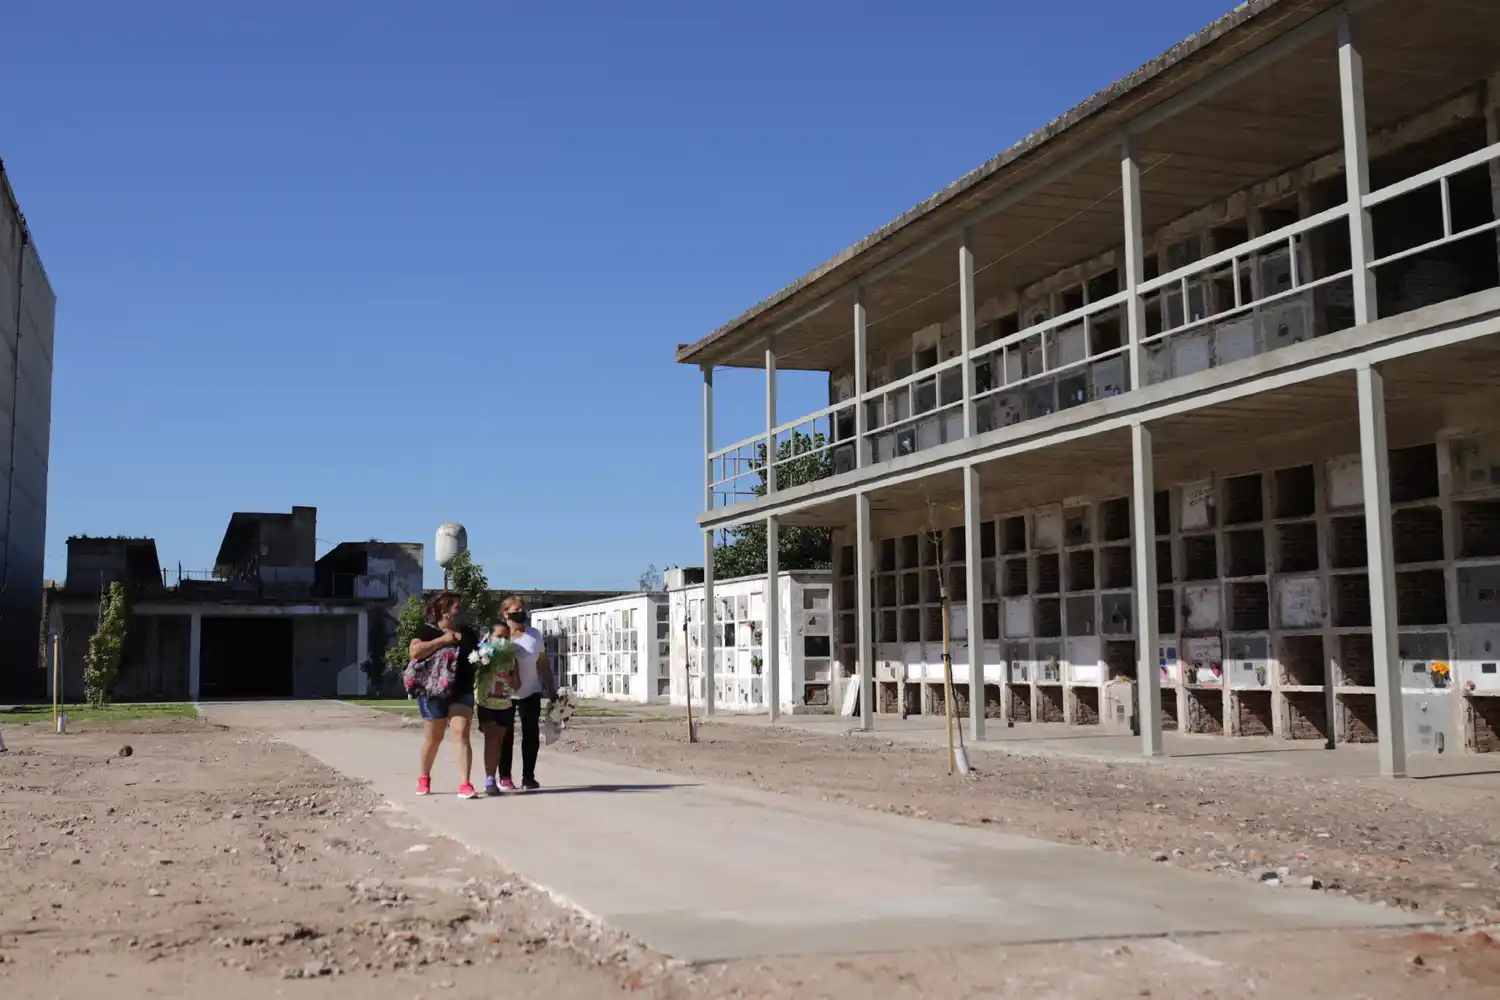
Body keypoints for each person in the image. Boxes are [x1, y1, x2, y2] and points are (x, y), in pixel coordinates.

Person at [409, 591, 479, 799]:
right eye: (456, 606)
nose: (460, 610)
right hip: (433, 691)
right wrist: (442, 640)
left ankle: (465, 783)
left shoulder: (468, 633)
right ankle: (424, 777)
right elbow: (414, 652)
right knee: (434, 738)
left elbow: (476, 654)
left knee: (462, 732)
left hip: (462, 690)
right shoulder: (427, 630)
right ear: (444, 610)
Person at [494, 595, 556, 791]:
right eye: (515, 611)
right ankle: (504, 776)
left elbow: (543, 664)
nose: (520, 615)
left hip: (531, 691)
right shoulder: (497, 636)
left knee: (530, 733)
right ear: (505, 614)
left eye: (522, 610)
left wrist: (551, 690)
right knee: (505, 735)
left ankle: (528, 777)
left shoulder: (534, 635)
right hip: (504, 693)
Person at [474, 621, 520, 797]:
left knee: (498, 742)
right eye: (499, 637)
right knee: (491, 740)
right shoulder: (484, 653)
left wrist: (512, 677)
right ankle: (490, 779)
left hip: (505, 704)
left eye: (506, 637)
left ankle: (494, 775)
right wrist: (481, 658)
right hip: (486, 703)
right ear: (490, 637)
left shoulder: (511, 658)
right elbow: (473, 668)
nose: (503, 641)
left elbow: (517, 684)